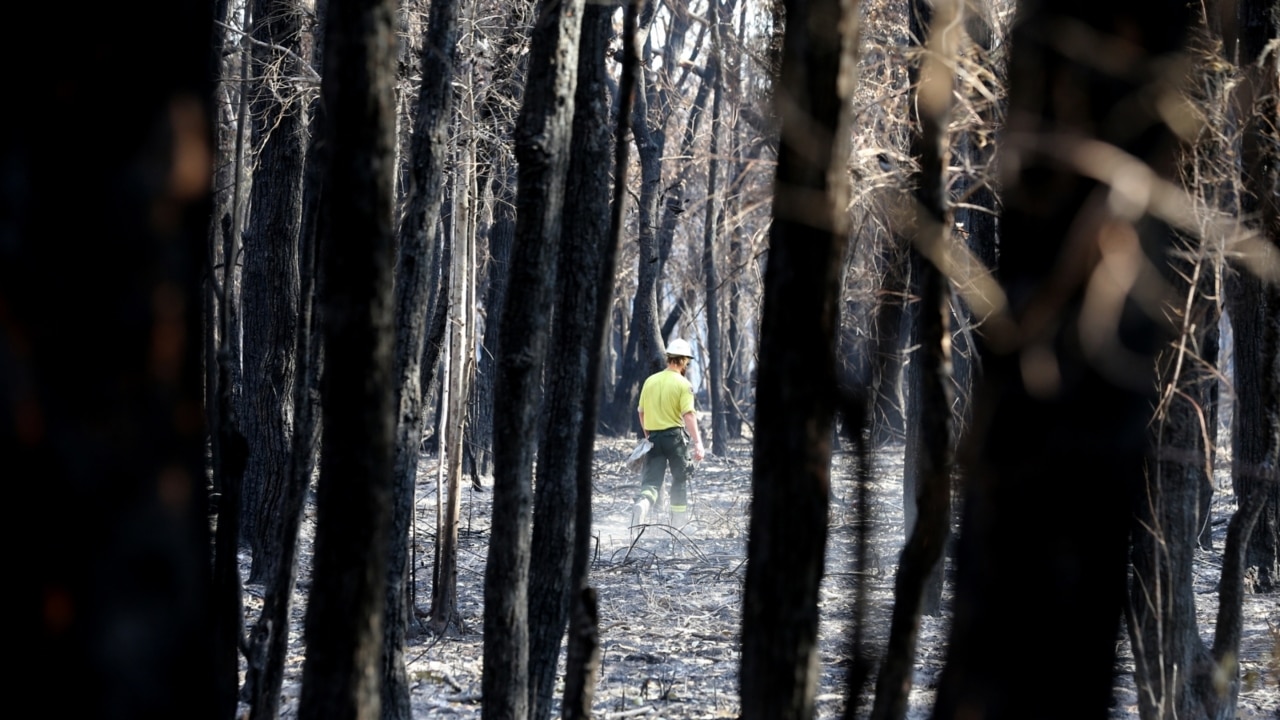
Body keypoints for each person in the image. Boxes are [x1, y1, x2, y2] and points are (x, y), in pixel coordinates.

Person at [632, 338, 704, 530]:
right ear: (684, 361)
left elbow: (641, 411)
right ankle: (678, 525)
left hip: (654, 438)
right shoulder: (683, 384)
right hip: (675, 439)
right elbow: (688, 415)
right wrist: (698, 442)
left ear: (669, 358)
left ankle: (642, 504)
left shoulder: (650, 381)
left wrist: (648, 435)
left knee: (652, 482)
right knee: (680, 479)